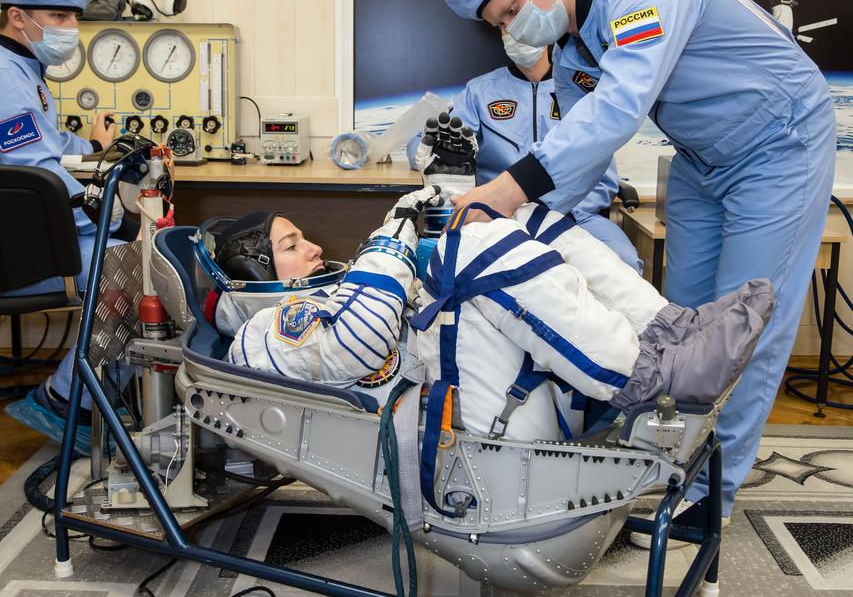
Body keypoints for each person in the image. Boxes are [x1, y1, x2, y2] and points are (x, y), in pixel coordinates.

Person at [441, 0, 836, 524]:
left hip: (779, 146)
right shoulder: (575, 51)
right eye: (502, 23)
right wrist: (528, 225)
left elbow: (619, 106)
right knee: (676, 327)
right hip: (701, 162)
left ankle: (709, 501)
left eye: (513, 9)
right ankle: (672, 467)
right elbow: (582, 151)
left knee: (748, 324)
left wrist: (506, 188)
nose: (514, 28)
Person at [201, 187, 773, 451]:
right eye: (292, 245)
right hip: (460, 437)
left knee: (519, 217)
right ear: (254, 268)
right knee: (472, 248)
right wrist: (391, 240)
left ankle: (668, 328)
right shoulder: (263, 331)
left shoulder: (330, 293)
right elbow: (361, 342)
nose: (312, 248)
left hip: (489, 396)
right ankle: (650, 379)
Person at [0, 0, 118, 434]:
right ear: (17, 17)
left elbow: (42, 143)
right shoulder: (6, 78)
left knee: (145, 262)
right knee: (140, 274)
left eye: (74, 18)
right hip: (17, 254)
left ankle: (92, 396)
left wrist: (89, 146)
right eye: (58, 17)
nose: (71, 29)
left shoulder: (23, 70)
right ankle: (64, 400)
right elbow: (37, 179)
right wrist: (113, 219)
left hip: (22, 239)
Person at [409, 34, 641, 269]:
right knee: (458, 264)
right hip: (498, 215)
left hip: (575, 215)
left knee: (625, 262)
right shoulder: (479, 91)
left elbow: (603, 177)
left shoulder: (582, 89)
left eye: (520, 21)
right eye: (504, 26)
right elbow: (433, 146)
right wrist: (428, 148)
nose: (514, 33)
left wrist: (561, 211)